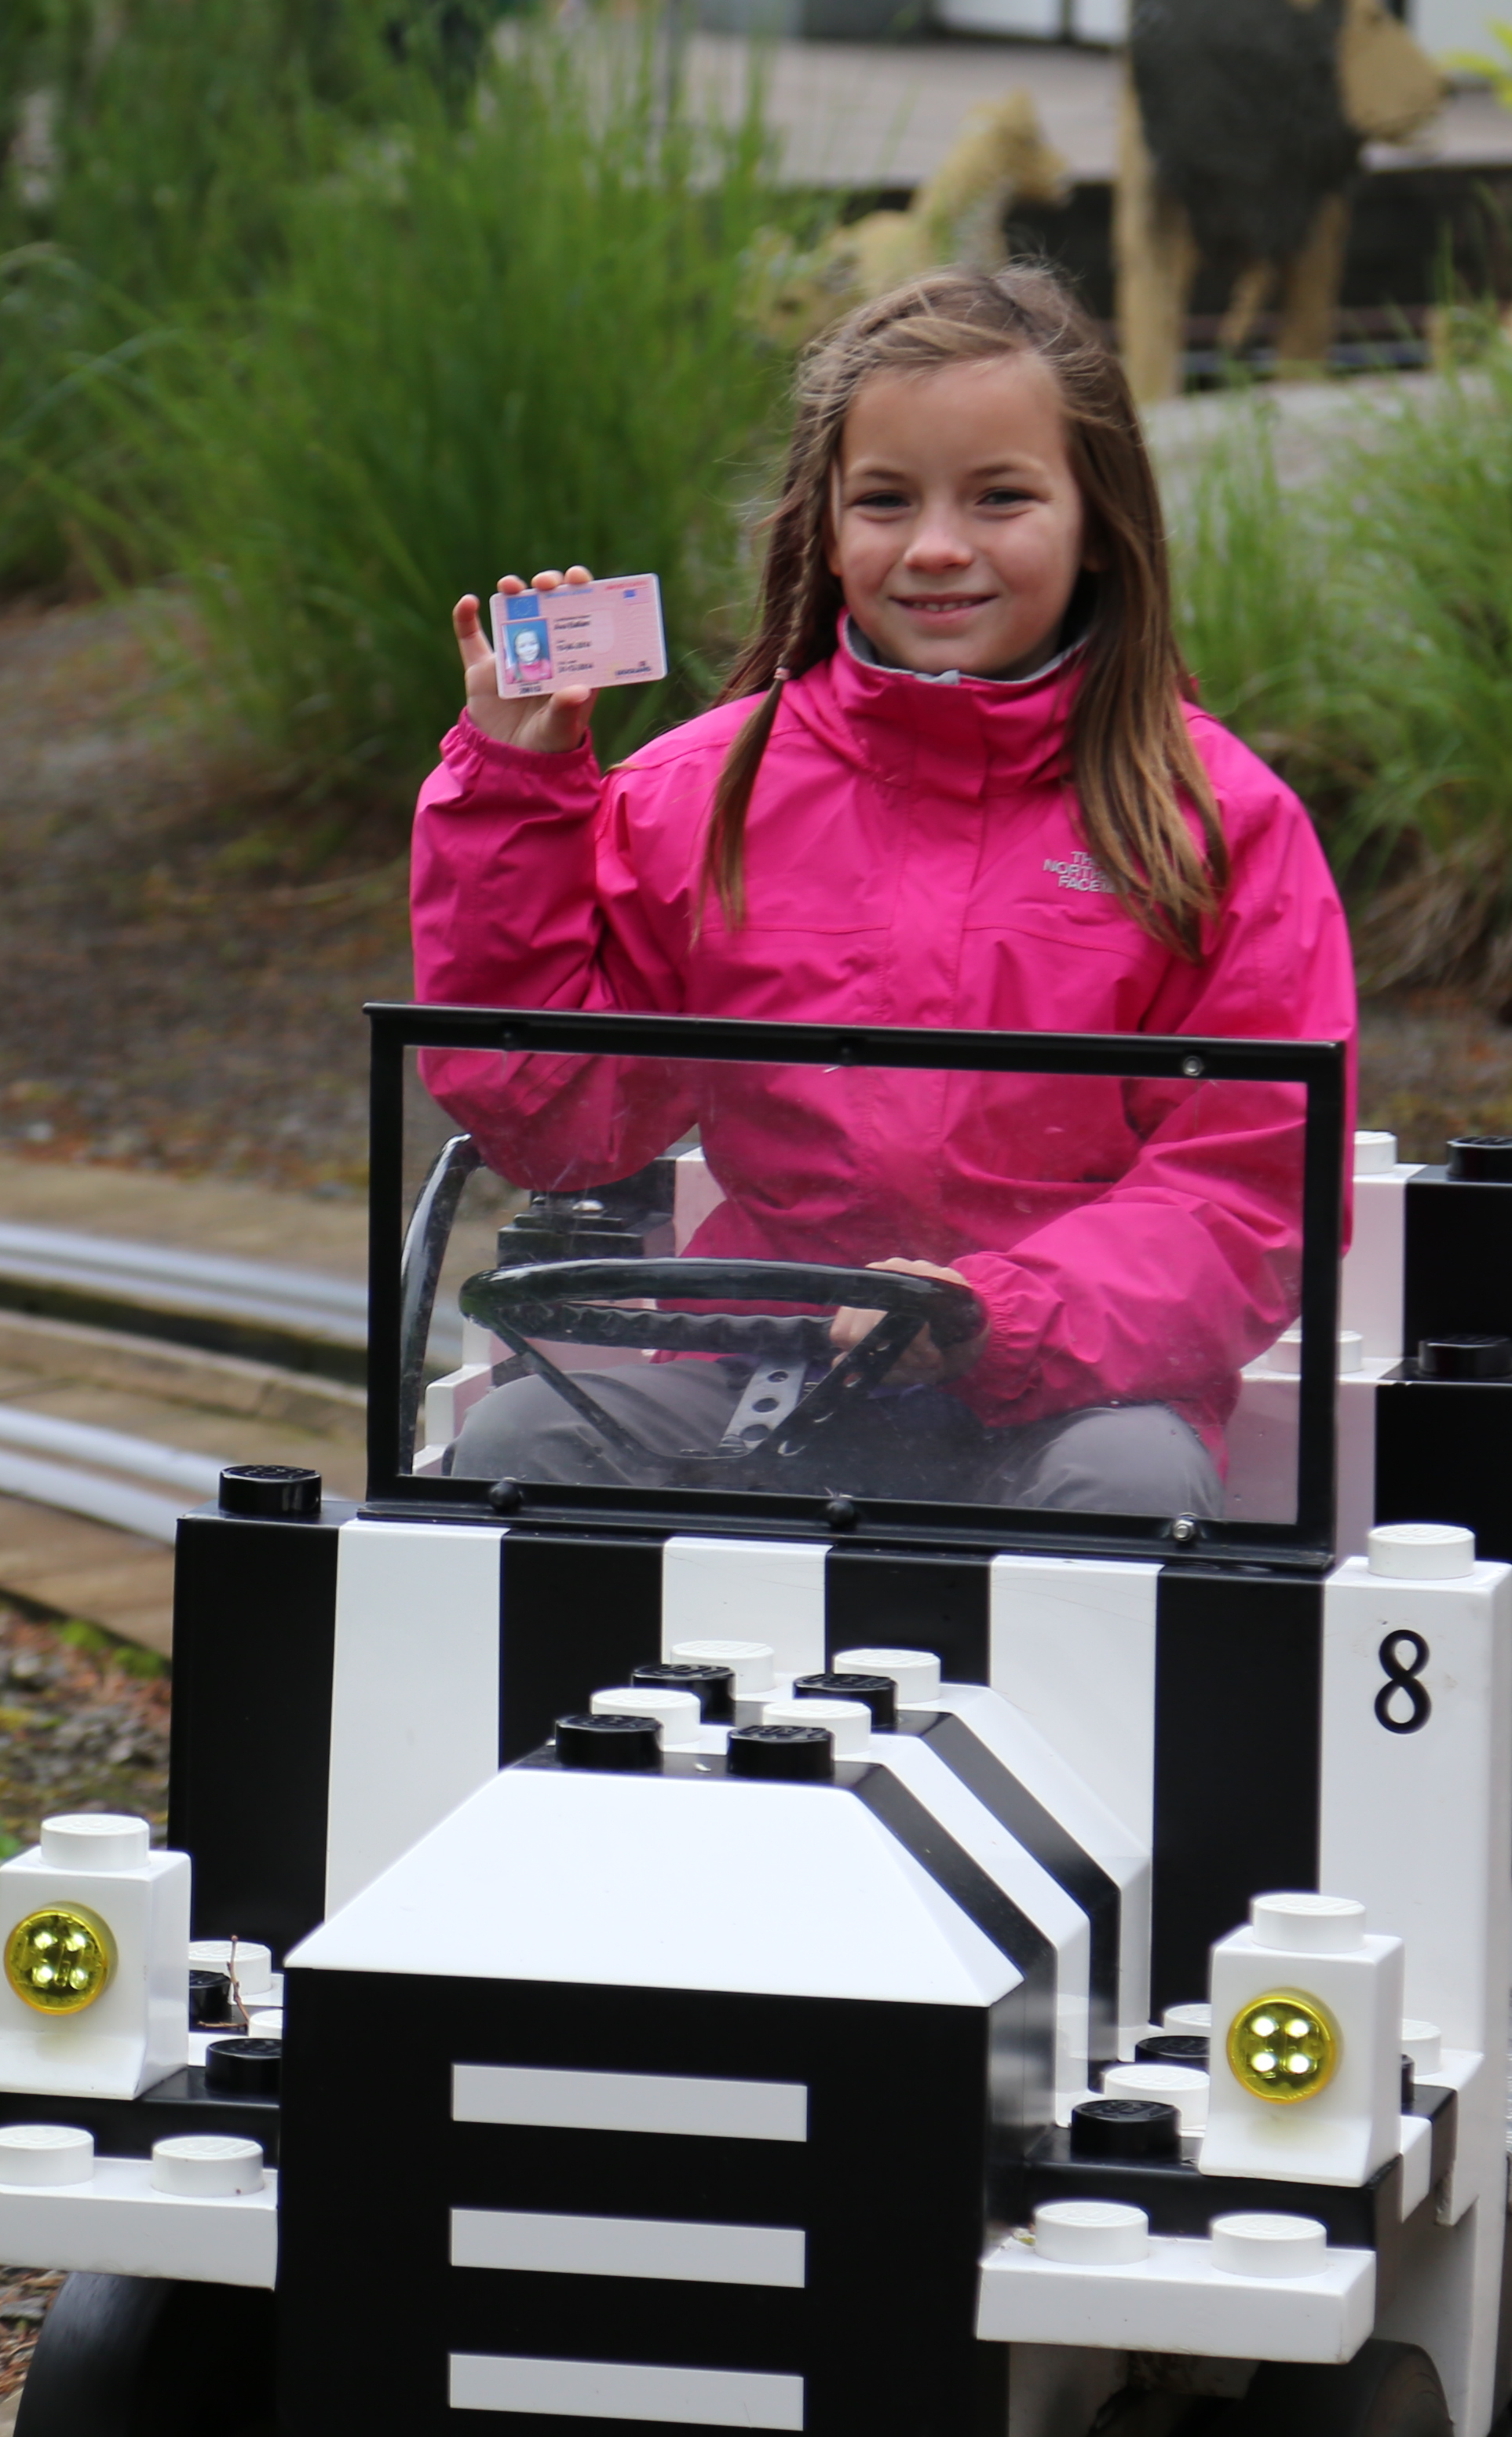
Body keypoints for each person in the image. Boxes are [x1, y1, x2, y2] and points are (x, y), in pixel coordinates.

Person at [411, 263, 1357, 1517]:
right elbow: (552, 1122)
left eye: (1002, 497)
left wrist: (994, 1319)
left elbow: (1253, 1192)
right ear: (826, 527)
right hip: (759, 1360)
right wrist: (517, 796)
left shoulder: (1212, 822)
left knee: (1126, 1486)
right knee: (521, 1450)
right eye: (888, 501)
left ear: (1097, 522)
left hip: (1081, 1383)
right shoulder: (702, 790)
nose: (938, 548)